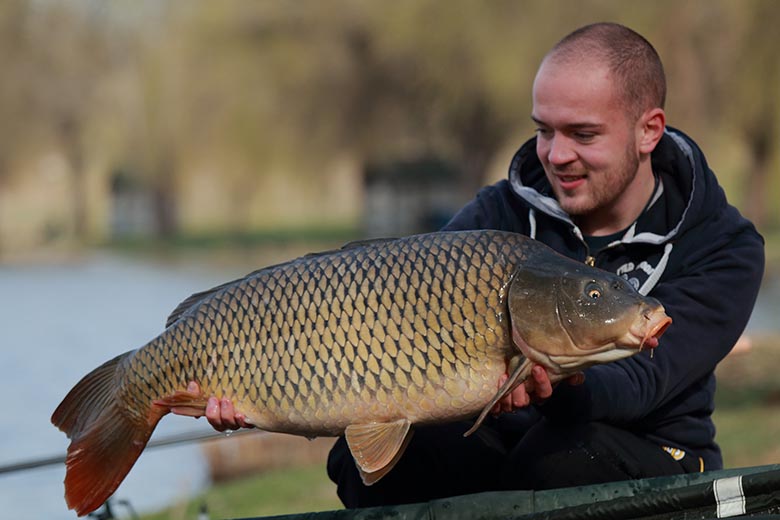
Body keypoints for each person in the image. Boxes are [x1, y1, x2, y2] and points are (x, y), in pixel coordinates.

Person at [179, 22, 765, 508]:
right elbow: (382, 328)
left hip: (650, 450)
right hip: (506, 444)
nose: (557, 155)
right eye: (544, 131)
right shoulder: (498, 214)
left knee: (559, 456)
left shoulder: (724, 247)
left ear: (648, 131)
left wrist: (552, 386)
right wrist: (261, 385)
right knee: (368, 467)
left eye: (582, 134)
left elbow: (646, 382)